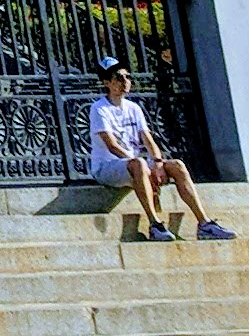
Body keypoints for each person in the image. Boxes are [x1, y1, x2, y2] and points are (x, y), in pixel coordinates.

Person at [87, 59, 232, 241]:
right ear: (107, 82)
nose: (125, 82)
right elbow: (112, 146)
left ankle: (204, 223)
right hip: (108, 167)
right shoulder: (99, 109)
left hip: (134, 165)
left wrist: (157, 163)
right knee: (139, 163)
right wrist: (144, 169)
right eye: (118, 78)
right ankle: (155, 225)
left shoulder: (134, 108)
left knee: (177, 165)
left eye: (127, 77)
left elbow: (148, 139)